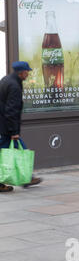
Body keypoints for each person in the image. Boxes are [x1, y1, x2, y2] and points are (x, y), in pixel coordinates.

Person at [0, 61, 42, 192]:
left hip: (4, 124)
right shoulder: (14, 86)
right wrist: (13, 131)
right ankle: (26, 177)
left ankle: (27, 177)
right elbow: (11, 110)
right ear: (21, 72)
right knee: (11, 150)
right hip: (7, 126)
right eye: (27, 71)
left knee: (19, 149)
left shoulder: (6, 80)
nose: (28, 74)